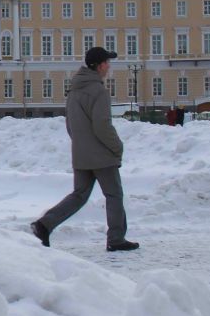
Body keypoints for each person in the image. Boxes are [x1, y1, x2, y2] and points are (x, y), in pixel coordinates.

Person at [31, 47, 139, 252]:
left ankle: (44, 224)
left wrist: (81, 144)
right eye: (107, 62)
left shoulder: (74, 90)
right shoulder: (99, 91)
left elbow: (70, 124)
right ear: (99, 66)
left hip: (81, 153)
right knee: (114, 195)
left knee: (79, 195)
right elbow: (102, 125)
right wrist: (117, 147)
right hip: (102, 155)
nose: (109, 67)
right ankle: (116, 238)